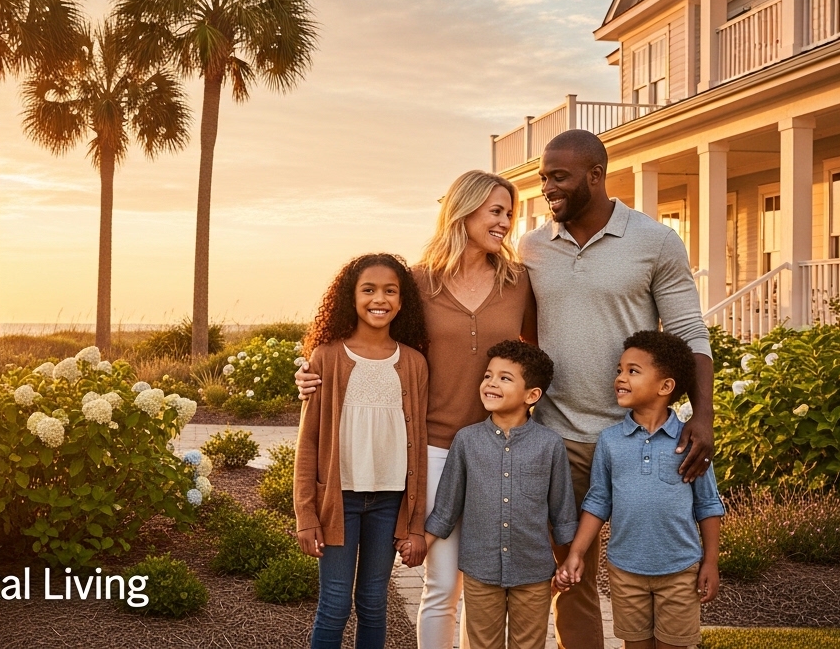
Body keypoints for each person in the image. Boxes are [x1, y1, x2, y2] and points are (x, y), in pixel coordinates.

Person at [298, 170, 535, 649]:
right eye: (495, 211)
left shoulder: (519, 282)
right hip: (432, 451)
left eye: (509, 213)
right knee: (442, 585)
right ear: (463, 212)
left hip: (498, 451)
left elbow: (534, 357)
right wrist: (309, 375)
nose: (505, 223)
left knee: (488, 587)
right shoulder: (418, 284)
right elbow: (371, 346)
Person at [523, 130, 714, 649]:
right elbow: (521, 334)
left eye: (558, 177)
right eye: (543, 178)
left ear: (595, 175)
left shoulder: (654, 241)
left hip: (638, 439)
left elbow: (690, 332)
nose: (548, 188)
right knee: (570, 568)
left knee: (653, 564)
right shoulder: (533, 247)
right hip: (559, 435)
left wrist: (703, 417)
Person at [294, 253, 432, 649]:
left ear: (402, 300)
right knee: (334, 605)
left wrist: (416, 522)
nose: (380, 299)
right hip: (339, 501)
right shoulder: (327, 357)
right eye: (368, 289)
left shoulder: (414, 363)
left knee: (373, 603)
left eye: (391, 291)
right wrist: (306, 515)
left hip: (389, 503)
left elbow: (418, 448)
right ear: (350, 298)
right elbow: (308, 443)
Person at [555, 330, 724, 649]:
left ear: (665, 386)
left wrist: (711, 562)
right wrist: (576, 553)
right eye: (619, 369)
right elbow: (598, 501)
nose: (620, 377)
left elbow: (708, 505)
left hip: (679, 570)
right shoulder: (610, 441)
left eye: (633, 371)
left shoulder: (690, 442)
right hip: (625, 571)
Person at [424, 340, 576, 649]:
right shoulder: (466, 441)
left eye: (505, 378)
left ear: (532, 395)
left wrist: (567, 563)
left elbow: (562, 514)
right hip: (481, 572)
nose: (491, 383)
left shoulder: (550, 445)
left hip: (533, 574)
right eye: (488, 376)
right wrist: (418, 545)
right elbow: (446, 509)